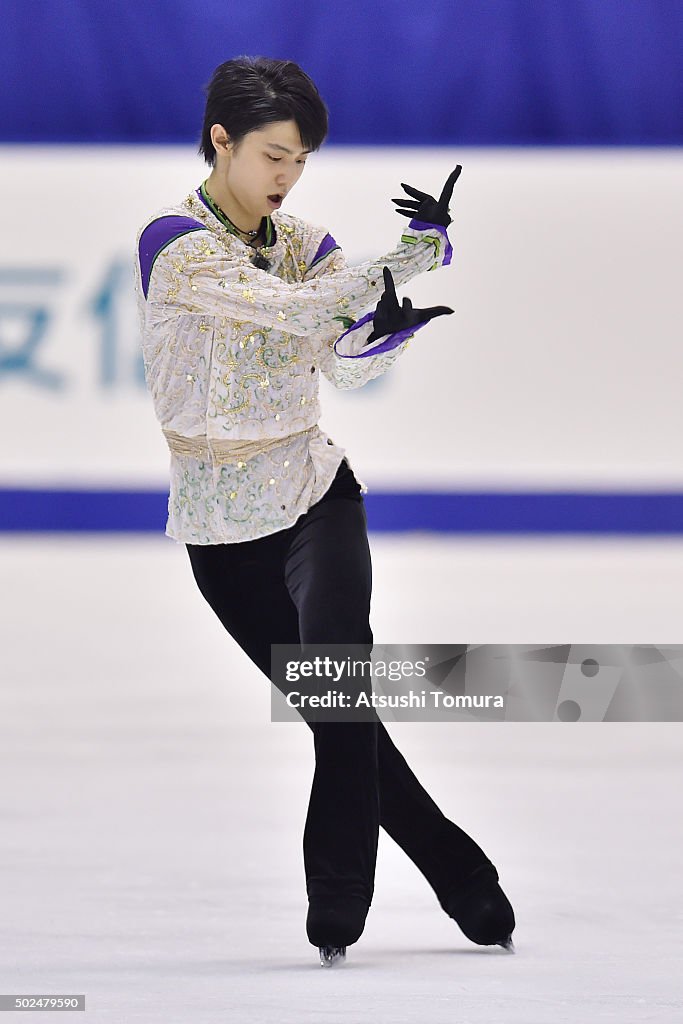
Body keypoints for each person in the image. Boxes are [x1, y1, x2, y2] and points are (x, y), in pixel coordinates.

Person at [134, 55, 515, 966]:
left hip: (314, 493)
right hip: (221, 530)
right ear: (220, 141)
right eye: (271, 156)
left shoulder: (308, 237)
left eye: (300, 160)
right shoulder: (172, 243)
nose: (286, 177)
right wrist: (410, 255)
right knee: (338, 712)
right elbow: (295, 311)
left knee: (341, 685)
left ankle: (337, 905)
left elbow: (338, 359)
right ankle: (459, 870)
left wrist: (383, 337)